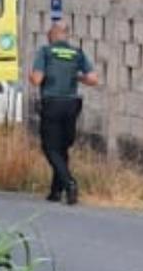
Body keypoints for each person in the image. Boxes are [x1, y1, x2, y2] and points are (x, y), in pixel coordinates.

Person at [29, 21, 99, 204]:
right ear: (66, 34)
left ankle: (70, 183)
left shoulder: (46, 51)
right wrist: (77, 77)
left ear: (52, 34)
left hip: (52, 103)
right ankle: (56, 191)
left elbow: (36, 79)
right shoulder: (77, 53)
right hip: (71, 104)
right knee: (62, 148)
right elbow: (93, 79)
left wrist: (32, 76)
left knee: (50, 147)